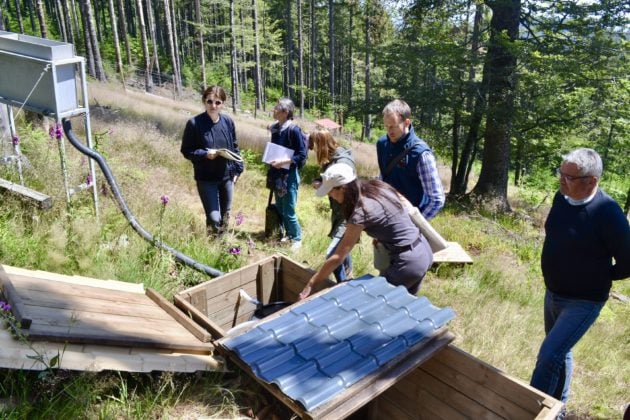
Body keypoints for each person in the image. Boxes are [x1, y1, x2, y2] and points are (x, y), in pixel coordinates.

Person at [530, 148, 630, 407]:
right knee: (559, 354)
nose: (561, 180)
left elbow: (628, 261)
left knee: (549, 354)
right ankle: (558, 408)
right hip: (553, 293)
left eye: (569, 177)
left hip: (584, 301)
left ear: (591, 181)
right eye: (561, 173)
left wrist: (599, 276)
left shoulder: (607, 212)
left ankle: (528, 410)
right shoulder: (560, 198)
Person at [299, 163, 433, 299]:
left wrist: (311, 283)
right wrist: (382, 236)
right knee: (405, 304)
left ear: (343, 188)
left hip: (408, 262)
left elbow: (338, 257)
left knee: (375, 304)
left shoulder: (360, 211)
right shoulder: (377, 187)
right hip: (423, 250)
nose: (330, 196)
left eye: (331, 191)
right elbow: (397, 213)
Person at [181, 86, 243, 235]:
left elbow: (234, 147)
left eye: (218, 102)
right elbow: (186, 150)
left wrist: (238, 170)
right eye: (209, 101)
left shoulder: (228, 121)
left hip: (227, 176)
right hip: (206, 178)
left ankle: (219, 245)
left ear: (223, 104)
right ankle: (213, 240)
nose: (213, 106)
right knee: (214, 217)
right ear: (204, 101)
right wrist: (204, 154)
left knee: (226, 215)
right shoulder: (194, 123)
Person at [376, 99, 445, 220]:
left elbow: (437, 199)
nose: (389, 131)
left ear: (407, 122)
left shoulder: (421, 153)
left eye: (393, 126)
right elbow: (384, 177)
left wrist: (416, 225)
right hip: (385, 216)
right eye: (386, 126)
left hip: (409, 222)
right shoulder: (382, 144)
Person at [310, 129, 356, 281]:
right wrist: (320, 181)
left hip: (347, 213)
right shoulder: (332, 157)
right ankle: (348, 273)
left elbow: (348, 190)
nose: (315, 150)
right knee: (341, 245)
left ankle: (341, 284)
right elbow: (329, 178)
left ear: (322, 145)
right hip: (338, 210)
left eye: (316, 147)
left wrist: (324, 186)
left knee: (332, 254)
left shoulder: (342, 162)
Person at [266, 98, 308, 250]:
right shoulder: (276, 129)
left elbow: (302, 154)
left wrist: (285, 162)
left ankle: (297, 238)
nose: (274, 110)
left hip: (288, 175)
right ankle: (288, 234)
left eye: (277, 108)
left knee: (289, 209)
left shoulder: (294, 130)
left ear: (285, 112)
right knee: (280, 207)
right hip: (277, 174)